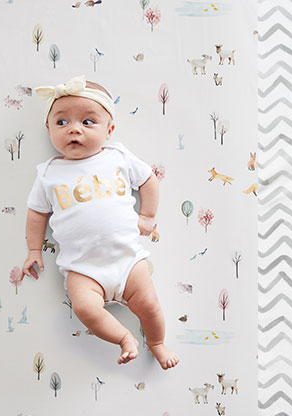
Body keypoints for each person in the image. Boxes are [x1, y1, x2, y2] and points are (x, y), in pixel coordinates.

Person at [22, 75, 178, 370]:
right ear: (48, 129)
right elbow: (36, 213)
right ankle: (123, 338)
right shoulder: (48, 173)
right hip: (83, 269)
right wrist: (33, 250)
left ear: (110, 129)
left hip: (127, 260)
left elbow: (148, 179)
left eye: (88, 122)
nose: (74, 130)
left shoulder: (116, 156)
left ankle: (156, 342)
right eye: (62, 122)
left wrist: (147, 217)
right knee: (84, 308)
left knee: (149, 304)